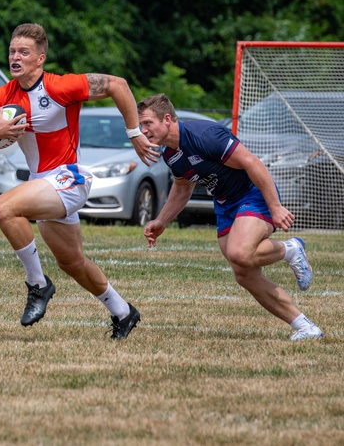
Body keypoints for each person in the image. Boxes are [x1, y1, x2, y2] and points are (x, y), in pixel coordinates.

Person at [0, 23, 156, 339]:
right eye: (12, 51)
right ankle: (123, 312)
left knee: (4, 208)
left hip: (68, 179)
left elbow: (118, 84)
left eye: (24, 52)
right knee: (72, 262)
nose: (16, 57)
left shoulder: (60, 87)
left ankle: (38, 285)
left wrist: (134, 134)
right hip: (43, 185)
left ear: (40, 59)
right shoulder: (3, 96)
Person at [137, 93, 322, 341]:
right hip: (225, 204)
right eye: (141, 124)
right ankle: (306, 327)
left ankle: (291, 249)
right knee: (243, 272)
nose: (143, 129)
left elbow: (252, 163)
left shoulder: (205, 136)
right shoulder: (171, 154)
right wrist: (161, 221)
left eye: (147, 123)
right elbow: (183, 187)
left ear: (167, 118)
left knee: (240, 253)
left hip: (252, 194)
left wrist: (275, 207)